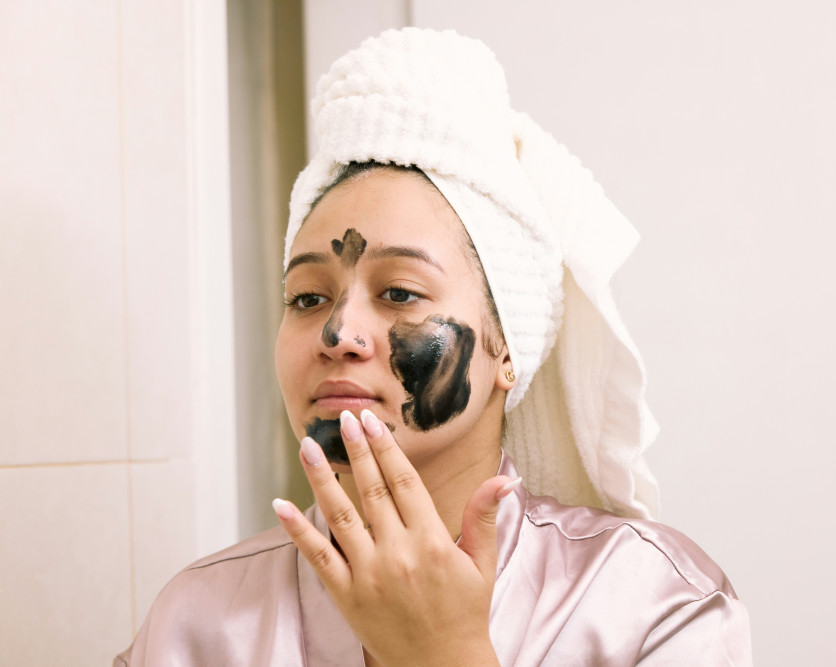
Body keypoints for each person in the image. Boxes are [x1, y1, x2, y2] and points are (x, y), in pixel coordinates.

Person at [116, 28, 752, 666]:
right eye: (307, 298)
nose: (338, 334)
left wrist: (446, 653)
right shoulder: (194, 625)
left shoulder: (657, 610)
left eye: (399, 292)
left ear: (507, 345)